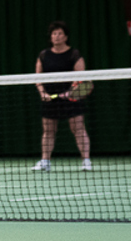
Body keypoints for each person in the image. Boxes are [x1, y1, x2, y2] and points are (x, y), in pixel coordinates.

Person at [34, 21, 91, 172]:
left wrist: (71, 91)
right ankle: (45, 161)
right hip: (50, 97)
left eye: (60, 33)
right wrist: (43, 94)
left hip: (71, 97)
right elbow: (37, 78)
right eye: (54, 34)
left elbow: (80, 76)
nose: (56, 36)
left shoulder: (74, 54)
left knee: (78, 128)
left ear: (65, 37)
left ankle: (86, 161)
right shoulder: (44, 55)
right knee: (48, 130)